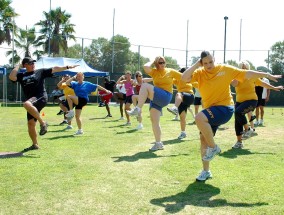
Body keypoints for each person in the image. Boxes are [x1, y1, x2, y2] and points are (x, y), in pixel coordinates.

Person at [181, 51, 282, 182]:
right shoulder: (200, 73)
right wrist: (197, 64)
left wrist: (266, 74)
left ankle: (215, 147)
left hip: (225, 108)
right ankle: (206, 171)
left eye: (211, 62)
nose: (209, 65)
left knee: (199, 118)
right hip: (210, 111)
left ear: (214, 59)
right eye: (205, 63)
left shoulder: (225, 69)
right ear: (202, 63)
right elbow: (184, 78)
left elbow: (248, 74)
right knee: (203, 139)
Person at [9, 57, 79, 152]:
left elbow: (54, 68)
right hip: (32, 102)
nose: (33, 64)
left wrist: (67, 67)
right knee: (30, 124)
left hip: (40, 97)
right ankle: (35, 144)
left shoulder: (40, 72)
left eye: (33, 63)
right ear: (25, 65)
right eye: (30, 63)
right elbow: (12, 77)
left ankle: (43, 123)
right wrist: (18, 66)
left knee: (26, 104)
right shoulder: (21, 75)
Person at [127, 56, 182, 151]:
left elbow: (184, 76)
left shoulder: (170, 71)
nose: (162, 64)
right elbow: (145, 66)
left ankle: (138, 109)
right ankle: (158, 143)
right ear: (156, 64)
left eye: (163, 62)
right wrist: (153, 60)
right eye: (160, 63)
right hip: (156, 98)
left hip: (165, 96)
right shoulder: (154, 72)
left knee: (144, 86)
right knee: (154, 121)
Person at [231, 60, 283, 149]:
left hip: (251, 101)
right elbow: (234, 84)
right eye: (242, 68)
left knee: (238, 112)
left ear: (248, 69)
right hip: (239, 102)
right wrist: (235, 77)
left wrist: (274, 87)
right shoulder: (236, 77)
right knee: (237, 120)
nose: (243, 70)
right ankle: (239, 142)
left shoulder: (252, 77)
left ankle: (248, 129)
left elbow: (263, 83)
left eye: (245, 68)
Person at [170, 68, 195, 139]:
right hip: (181, 100)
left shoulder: (189, 78)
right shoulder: (177, 79)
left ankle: (175, 108)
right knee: (182, 117)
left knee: (178, 94)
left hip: (189, 96)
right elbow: (169, 80)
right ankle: (183, 133)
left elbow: (198, 83)